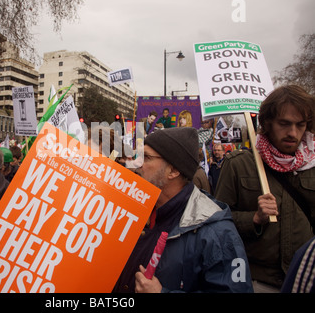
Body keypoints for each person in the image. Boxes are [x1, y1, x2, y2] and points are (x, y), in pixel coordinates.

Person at [113, 127, 253, 293]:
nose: (137, 163)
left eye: (147, 157)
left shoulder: (216, 231)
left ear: (173, 171)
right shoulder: (134, 210)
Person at [214, 85, 315, 292]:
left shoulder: (312, 165)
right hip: (255, 280)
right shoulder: (238, 164)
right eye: (284, 124)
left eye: (300, 125)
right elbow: (216, 222)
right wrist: (254, 218)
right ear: (266, 123)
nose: (293, 133)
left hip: (304, 280)